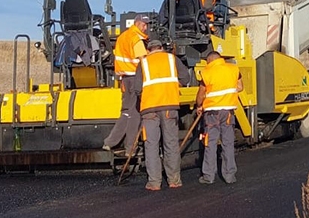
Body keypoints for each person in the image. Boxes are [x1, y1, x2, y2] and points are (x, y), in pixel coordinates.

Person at [132, 38, 190, 190]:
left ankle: (154, 182)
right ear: (162, 48)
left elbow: (137, 88)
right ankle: (174, 180)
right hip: (169, 107)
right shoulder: (172, 59)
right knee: (170, 143)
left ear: (149, 50)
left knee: (151, 145)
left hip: (149, 109)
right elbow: (186, 78)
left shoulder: (143, 63)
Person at [102, 15, 150, 151]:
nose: (145, 28)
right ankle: (130, 147)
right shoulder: (136, 39)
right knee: (135, 112)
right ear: (137, 24)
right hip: (136, 78)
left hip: (124, 78)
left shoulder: (123, 37)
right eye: (144, 25)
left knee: (126, 112)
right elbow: (143, 61)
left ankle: (109, 143)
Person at [196, 51, 243, 185]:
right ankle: (229, 176)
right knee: (227, 143)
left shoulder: (206, 72)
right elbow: (240, 87)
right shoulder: (233, 69)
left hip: (211, 114)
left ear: (210, 60)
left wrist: (199, 105)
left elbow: (201, 94)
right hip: (228, 112)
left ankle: (208, 176)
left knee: (210, 144)